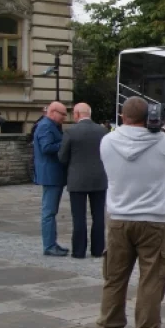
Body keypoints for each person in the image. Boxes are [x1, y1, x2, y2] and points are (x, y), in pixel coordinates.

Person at [97, 96, 165, 328]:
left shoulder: (107, 141)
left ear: (123, 117)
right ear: (149, 118)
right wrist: (164, 134)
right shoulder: (163, 140)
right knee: (152, 277)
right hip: (153, 219)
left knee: (114, 277)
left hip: (119, 217)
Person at [58, 103, 108, 259]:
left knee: (79, 217)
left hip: (77, 179)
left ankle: (79, 251)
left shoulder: (71, 132)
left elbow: (62, 157)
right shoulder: (103, 131)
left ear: (77, 114)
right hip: (99, 178)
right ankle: (98, 249)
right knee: (98, 216)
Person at [34, 101, 69, 255]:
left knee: (51, 211)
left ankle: (52, 243)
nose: (64, 118)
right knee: (49, 212)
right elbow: (46, 147)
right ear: (53, 112)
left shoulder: (50, 125)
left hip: (53, 174)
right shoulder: (46, 126)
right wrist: (64, 144)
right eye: (62, 114)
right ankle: (49, 246)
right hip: (51, 175)